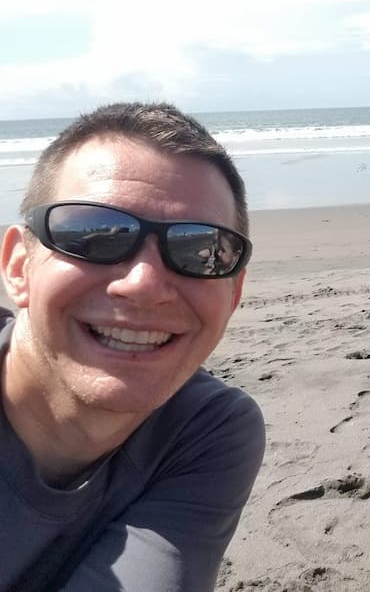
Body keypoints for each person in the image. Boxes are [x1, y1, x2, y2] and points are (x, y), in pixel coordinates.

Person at [0, 102, 266, 591]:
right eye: (93, 233)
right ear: (19, 267)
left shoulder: (207, 430)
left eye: (201, 250)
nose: (143, 284)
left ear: (234, 294)